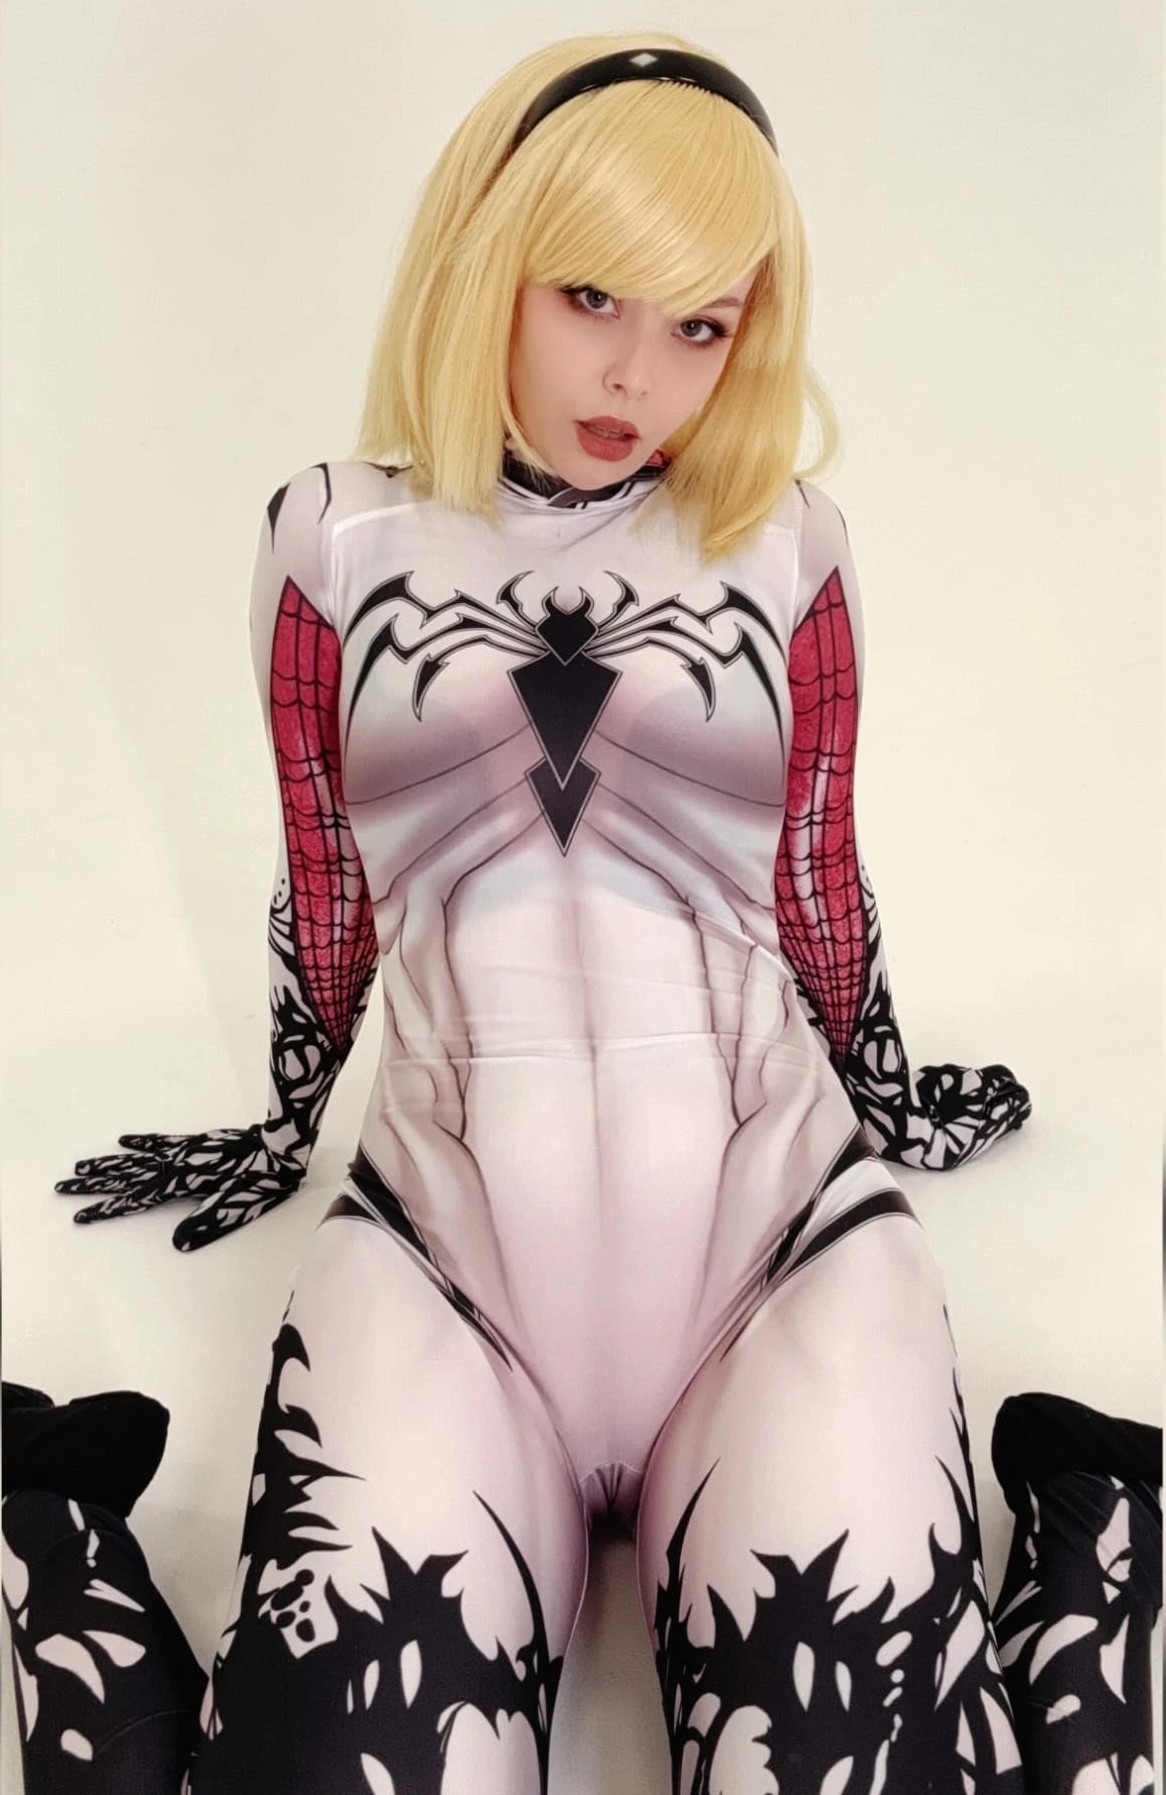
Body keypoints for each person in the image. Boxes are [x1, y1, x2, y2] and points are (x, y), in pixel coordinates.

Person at [2, 27, 1147, 1793]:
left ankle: (1097, 1526)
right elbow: (329, 874)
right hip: (439, 1256)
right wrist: (286, 1122)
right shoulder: (330, 539)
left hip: (778, 1248)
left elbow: (815, 873)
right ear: (487, 260)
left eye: (701, 324)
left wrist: (897, 1099)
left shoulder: (790, 544)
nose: (636, 373)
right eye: (590, 295)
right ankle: (52, 1520)